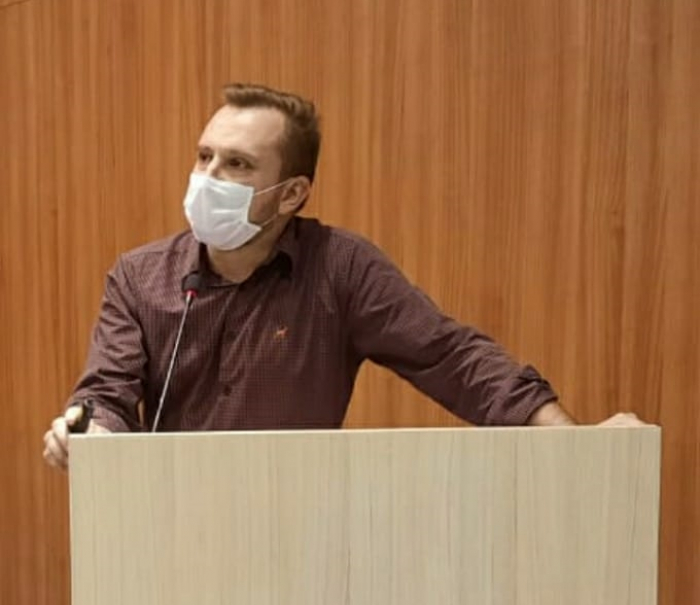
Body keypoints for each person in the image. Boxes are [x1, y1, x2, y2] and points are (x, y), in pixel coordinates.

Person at [42, 83, 640, 470]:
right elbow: (105, 396)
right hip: (168, 530)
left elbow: (451, 357)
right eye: (205, 156)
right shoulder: (140, 277)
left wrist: (571, 439)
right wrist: (89, 434)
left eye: (238, 164)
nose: (208, 177)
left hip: (298, 531)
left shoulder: (340, 269)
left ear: (291, 194)